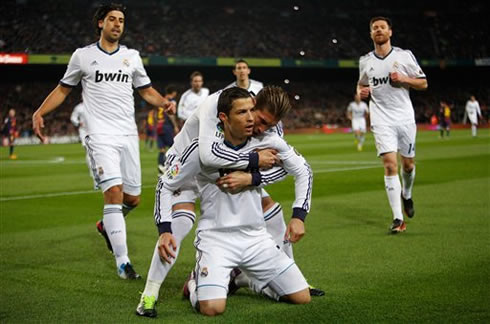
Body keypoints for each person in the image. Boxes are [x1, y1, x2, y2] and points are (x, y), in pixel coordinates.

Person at [136, 87, 312, 317]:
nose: (257, 126)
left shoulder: (266, 137)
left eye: (265, 124)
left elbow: (298, 170)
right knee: (180, 224)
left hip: (254, 236)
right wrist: (253, 160)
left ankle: (242, 278)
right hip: (182, 162)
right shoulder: (209, 123)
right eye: (250, 116)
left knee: (300, 296)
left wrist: (252, 177)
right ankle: (152, 293)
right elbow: (207, 156)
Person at [32, 3, 176, 279]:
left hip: (127, 133)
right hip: (99, 134)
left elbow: (145, 91)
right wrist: (40, 111)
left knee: (132, 199)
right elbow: (63, 90)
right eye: (112, 19)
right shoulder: (82, 56)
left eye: (121, 20)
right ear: (101, 23)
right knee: (114, 192)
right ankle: (123, 262)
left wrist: (164, 103)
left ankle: (106, 225)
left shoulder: (131, 56)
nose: (117, 24)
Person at [357, 16, 428, 234]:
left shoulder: (403, 56)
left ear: (390, 32)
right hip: (381, 119)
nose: (378, 30)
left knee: (408, 165)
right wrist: (361, 93)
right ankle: (398, 218)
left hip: (404, 118)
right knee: (390, 164)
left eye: (382, 27)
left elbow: (423, 83)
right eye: (374, 28)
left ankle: (406, 193)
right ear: (371, 34)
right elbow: (360, 86)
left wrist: (404, 80)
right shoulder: (365, 60)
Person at [70, 101, 98, 189]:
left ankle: (99, 176)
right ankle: (95, 178)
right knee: (90, 152)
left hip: (96, 131)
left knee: (97, 153)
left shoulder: (95, 105)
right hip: (84, 132)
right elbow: (73, 118)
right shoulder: (79, 107)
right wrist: (78, 123)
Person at [157, 85, 180, 174]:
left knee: (162, 149)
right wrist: (175, 126)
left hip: (159, 126)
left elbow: (155, 114)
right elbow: (171, 114)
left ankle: (160, 166)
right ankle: (169, 167)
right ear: (173, 93)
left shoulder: (160, 100)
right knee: (172, 148)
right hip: (167, 126)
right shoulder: (171, 101)